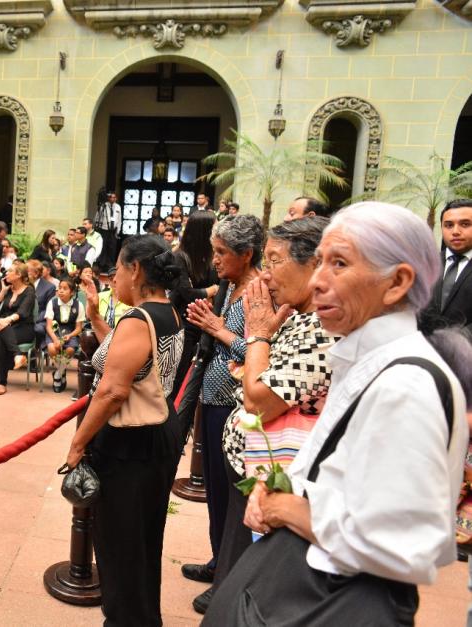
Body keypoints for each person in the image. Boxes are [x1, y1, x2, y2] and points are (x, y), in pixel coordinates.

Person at [206, 202, 471, 624]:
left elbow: (405, 545)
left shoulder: (406, 383)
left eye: (339, 264)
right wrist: (277, 491)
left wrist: (287, 509)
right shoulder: (365, 358)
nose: (320, 281)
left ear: (397, 282)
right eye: (320, 262)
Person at [196, 217, 336, 614]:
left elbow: (259, 399)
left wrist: (257, 333)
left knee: (246, 592)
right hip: (253, 470)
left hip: (275, 481)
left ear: (315, 265)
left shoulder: (324, 330)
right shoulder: (296, 315)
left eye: (275, 260)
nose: (267, 273)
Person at [64, 234, 184, 626]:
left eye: (117, 270)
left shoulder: (138, 318)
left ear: (135, 270)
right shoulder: (169, 312)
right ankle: (143, 617)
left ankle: (126, 619)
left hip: (130, 442)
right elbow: (125, 362)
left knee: (119, 543)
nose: (113, 279)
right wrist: (97, 316)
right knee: (144, 537)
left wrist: (78, 443)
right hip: (159, 433)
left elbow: (114, 388)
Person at [182, 214, 263, 592]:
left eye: (222, 253)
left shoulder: (260, 292)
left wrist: (217, 329)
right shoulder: (230, 285)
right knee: (215, 490)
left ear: (246, 254)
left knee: (233, 498)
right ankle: (219, 562)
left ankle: (230, 581)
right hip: (213, 398)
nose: (214, 260)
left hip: (236, 405)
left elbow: (260, 350)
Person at [169, 210, 219, 399]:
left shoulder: (213, 256)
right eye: (214, 226)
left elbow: (219, 287)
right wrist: (210, 290)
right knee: (178, 379)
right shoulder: (180, 256)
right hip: (183, 323)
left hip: (206, 322)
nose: (218, 230)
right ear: (203, 231)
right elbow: (186, 293)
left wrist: (207, 292)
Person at [420, 198, 472, 334]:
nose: (455, 231)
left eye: (465, 224)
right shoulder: (425, 264)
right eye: (449, 225)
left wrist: (453, 343)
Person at [0, 260, 35, 396]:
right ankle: (18, 355)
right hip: (4, 326)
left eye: (10, 271)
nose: (6, 273)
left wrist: (6, 320)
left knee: (1, 342)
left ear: (19, 275)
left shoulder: (29, 291)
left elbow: (23, 312)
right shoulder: (8, 289)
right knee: (2, 330)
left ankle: (1, 383)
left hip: (23, 328)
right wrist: (3, 291)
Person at [44, 278, 85, 393]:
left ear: (72, 292)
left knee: (70, 350)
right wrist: (55, 339)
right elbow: (48, 326)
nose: (61, 291)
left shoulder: (79, 305)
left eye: (65, 289)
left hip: (70, 332)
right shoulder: (52, 303)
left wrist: (70, 335)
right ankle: (61, 372)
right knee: (52, 348)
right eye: (60, 288)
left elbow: (79, 328)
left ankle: (58, 373)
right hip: (54, 331)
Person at [93, 190, 121, 265]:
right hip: (104, 230)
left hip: (113, 231)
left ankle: (110, 265)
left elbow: (119, 220)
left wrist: (118, 231)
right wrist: (96, 226)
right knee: (103, 247)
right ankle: (101, 264)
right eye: (111, 197)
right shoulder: (103, 206)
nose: (112, 199)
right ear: (108, 198)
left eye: (114, 197)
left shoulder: (118, 207)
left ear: (116, 198)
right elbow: (97, 216)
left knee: (112, 248)